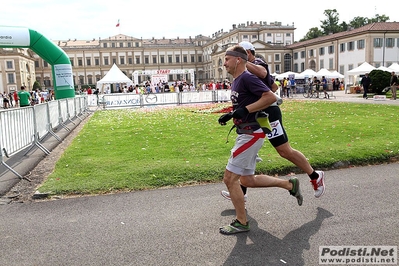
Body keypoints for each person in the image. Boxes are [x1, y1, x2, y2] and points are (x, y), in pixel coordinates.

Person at [221, 41, 325, 205]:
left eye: (241, 53)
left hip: (269, 114)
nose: (226, 62)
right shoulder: (241, 74)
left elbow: (264, 75)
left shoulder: (257, 63)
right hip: (256, 115)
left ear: (248, 54)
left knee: (284, 151)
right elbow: (274, 85)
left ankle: (315, 175)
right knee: (247, 155)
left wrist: (245, 62)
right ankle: (240, 191)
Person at [217, 45, 303, 235]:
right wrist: (232, 114)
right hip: (246, 132)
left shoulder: (247, 77)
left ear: (238, 59)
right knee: (246, 180)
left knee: (230, 179)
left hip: (251, 134)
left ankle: (241, 221)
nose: (224, 63)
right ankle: (289, 184)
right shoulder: (238, 80)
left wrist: (245, 111)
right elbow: (246, 104)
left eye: (226, 59)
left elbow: (270, 97)